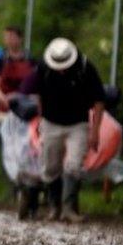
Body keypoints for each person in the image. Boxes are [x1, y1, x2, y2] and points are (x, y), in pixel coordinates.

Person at [20, 37, 105, 222]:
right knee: (50, 167)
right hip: (51, 122)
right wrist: (41, 120)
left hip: (78, 124)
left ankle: (69, 208)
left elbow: (99, 100)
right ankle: (54, 207)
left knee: (74, 165)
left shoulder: (84, 67)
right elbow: (32, 92)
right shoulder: (43, 68)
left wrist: (95, 131)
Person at [0, 26, 35, 115]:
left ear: (20, 38)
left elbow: (34, 81)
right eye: (6, 37)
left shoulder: (29, 58)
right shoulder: (1, 59)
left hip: (26, 104)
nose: (9, 40)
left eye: (12, 36)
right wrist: (3, 99)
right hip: (5, 104)